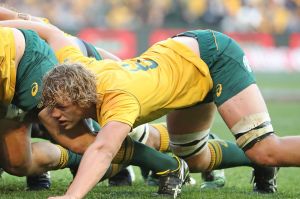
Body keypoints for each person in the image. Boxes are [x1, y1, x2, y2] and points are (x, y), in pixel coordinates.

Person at [0, 20, 286, 199]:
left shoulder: (118, 100)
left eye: (60, 107)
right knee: (195, 158)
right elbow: (50, 30)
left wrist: (71, 197)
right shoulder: (77, 69)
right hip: (180, 61)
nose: (55, 114)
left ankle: (259, 157)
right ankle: (253, 161)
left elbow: (102, 150)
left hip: (210, 56)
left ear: (81, 99)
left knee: (264, 147)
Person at [0, 9, 192, 198]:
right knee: (16, 162)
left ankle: (170, 158)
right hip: (43, 67)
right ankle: (80, 161)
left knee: (87, 141)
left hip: (40, 64)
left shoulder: (70, 65)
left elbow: (50, 33)